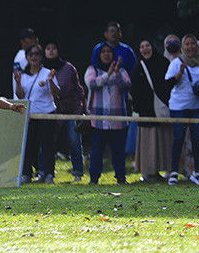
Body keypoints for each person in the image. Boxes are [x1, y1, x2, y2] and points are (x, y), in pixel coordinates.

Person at [164, 35, 199, 185]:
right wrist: (179, 74)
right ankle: (174, 172)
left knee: (197, 139)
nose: (190, 47)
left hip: (198, 106)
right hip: (179, 106)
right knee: (178, 138)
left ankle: (197, 172)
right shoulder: (177, 62)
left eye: (193, 44)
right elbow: (167, 84)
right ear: (183, 46)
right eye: (187, 44)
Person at [85, 44, 131, 184]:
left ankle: (121, 178)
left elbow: (127, 86)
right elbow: (92, 84)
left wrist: (116, 74)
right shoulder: (92, 69)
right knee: (97, 150)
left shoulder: (121, 70)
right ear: (99, 55)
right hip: (98, 118)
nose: (106, 54)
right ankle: (94, 179)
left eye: (109, 52)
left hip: (117, 118)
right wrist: (108, 74)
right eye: (103, 52)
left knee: (118, 150)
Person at [15, 44, 59, 183]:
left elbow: (56, 94)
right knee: (29, 145)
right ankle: (27, 174)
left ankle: (48, 174)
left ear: (41, 57)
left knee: (47, 145)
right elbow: (20, 96)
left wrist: (51, 81)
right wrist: (17, 83)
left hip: (46, 113)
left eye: (37, 54)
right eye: (31, 54)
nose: (34, 57)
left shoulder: (47, 73)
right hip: (30, 115)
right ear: (27, 57)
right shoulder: (22, 74)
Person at [43, 40, 86, 182]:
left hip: (72, 108)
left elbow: (79, 89)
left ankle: (78, 172)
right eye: (48, 48)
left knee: (74, 141)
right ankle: (46, 172)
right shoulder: (41, 69)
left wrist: (83, 110)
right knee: (49, 142)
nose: (51, 51)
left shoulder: (68, 68)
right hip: (51, 110)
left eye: (53, 48)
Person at [131, 39, 172, 182]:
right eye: (141, 46)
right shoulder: (138, 68)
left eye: (147, 45)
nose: (145, 49)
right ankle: (148, 172)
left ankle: (161, 171)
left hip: (160, 112)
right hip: (146, 113)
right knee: (148, 142)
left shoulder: (163, 64)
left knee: (162, 141)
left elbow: (168, 85)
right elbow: (134, 90)